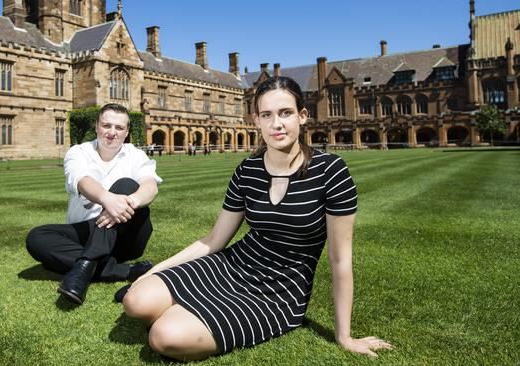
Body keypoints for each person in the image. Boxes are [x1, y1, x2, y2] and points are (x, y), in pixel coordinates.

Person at [121, 77, 392, 360]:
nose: (276, 124)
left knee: (164, 336)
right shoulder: (248, 170)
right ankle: (191, 308)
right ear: (256, 120)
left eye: (285, 113)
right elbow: (214, 240)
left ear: (302, 116)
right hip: (232, 264)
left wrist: (344, 336)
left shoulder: (331, 172)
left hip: (279, 289)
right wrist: (151, 273)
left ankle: (190, 315)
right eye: (267, 115)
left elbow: (340, 260)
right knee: (135, 301)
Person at [26, 103, 161, 305]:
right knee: (37, 238)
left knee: (127, 184)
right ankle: (124, 270)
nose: (112, 132)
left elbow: (150, 186)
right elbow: (82, 180)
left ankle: (85, 265)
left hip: (126, 235)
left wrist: (128, 202)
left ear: (126, 132)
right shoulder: (78, 152)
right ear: (97, 127)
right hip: (87, 231)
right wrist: (107, 199)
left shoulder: (135, 154)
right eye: (106, 125)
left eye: (119, 128)